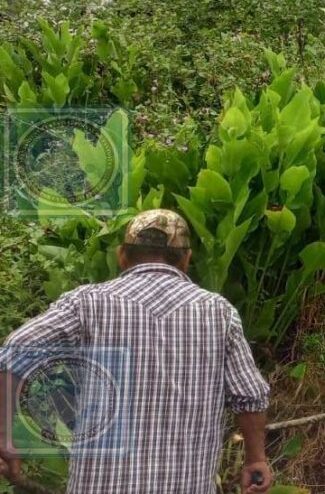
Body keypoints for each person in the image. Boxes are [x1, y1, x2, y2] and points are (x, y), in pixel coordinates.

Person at [0, 209, 272, 493]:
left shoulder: (87, 304)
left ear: (122, 256)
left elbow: (15, 351)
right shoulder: (218, 313)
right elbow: (250, 396)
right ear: (187, 259)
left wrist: (4, 435)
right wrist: (256, 459)